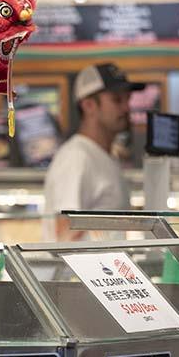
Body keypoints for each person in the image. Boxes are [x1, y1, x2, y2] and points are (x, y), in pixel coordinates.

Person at [43, 63, 144, 240]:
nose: (127, 108)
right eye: (117, 100)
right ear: (89, 105)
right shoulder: (76, 157)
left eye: (127, 99)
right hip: (77, 269)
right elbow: (65, 234)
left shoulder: (106, 155)